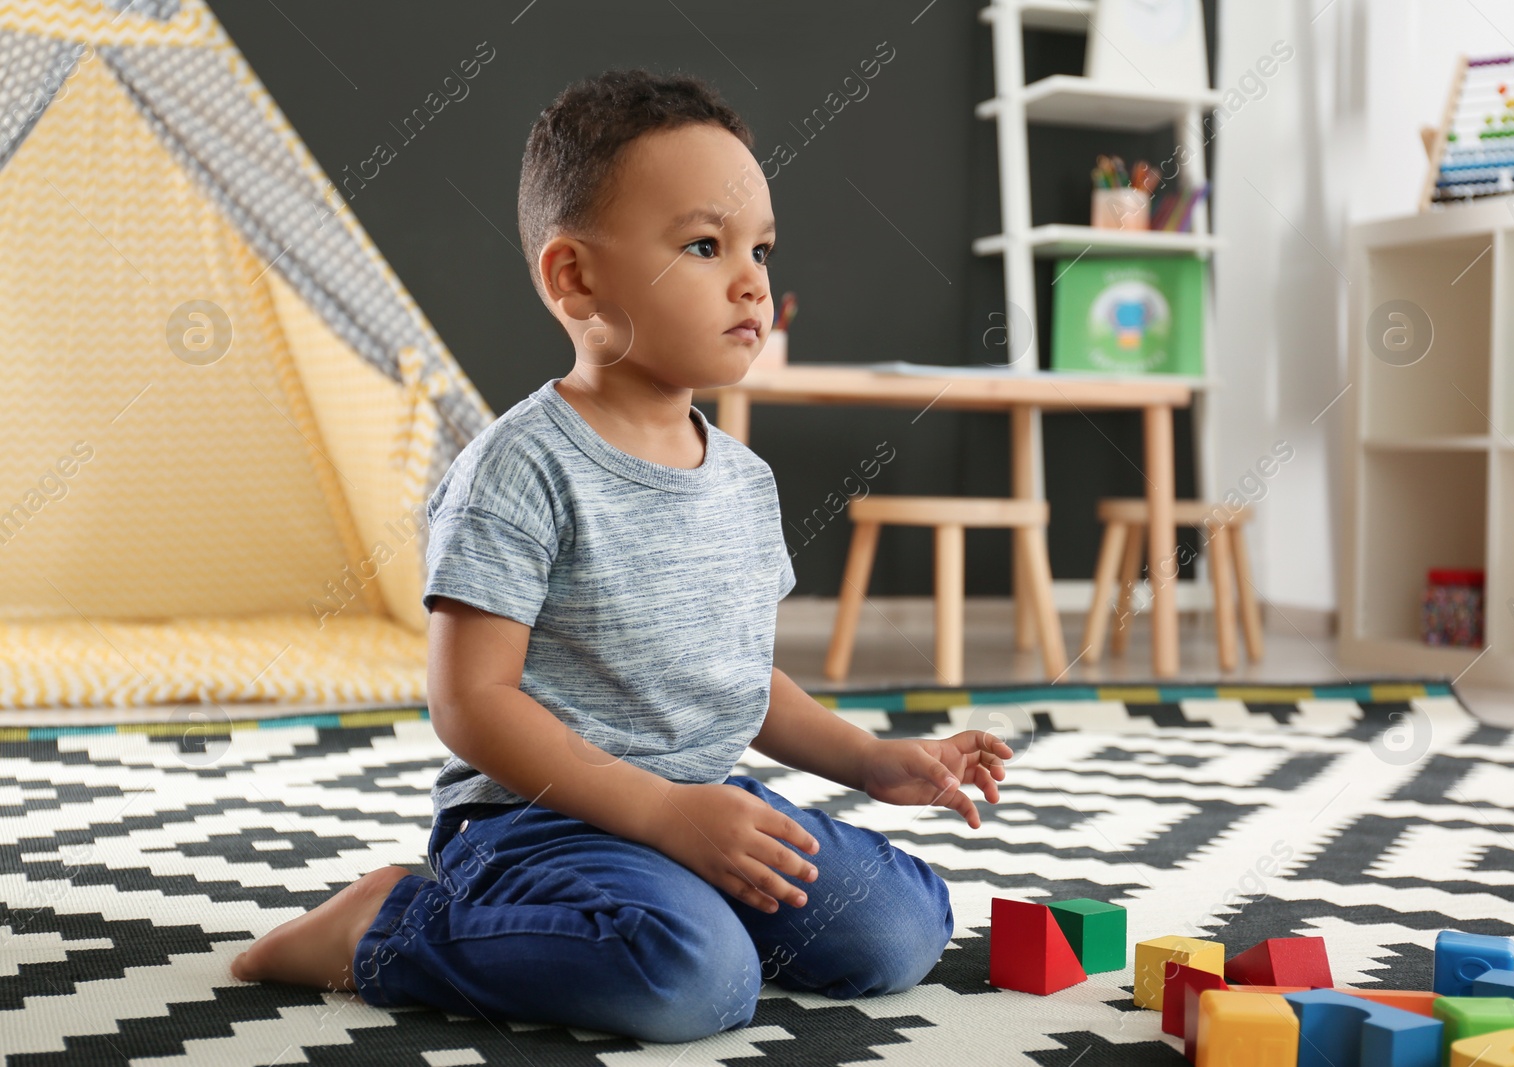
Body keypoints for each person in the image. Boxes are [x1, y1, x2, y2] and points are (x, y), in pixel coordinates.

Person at [229, 67, 1014, 1045]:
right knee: (688, 981)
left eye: (760, 247)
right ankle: (388, 924)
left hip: (696, 803)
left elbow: (736, 678)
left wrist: (870, 760)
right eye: (703, 244)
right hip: (536, 823)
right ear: (574, 277)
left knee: (900, 929)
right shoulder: (520, 467)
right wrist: (660, 812)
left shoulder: (741, 478)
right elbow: (472, 700)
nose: (752, 279)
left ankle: (670, 906)